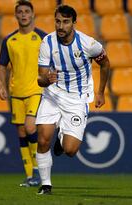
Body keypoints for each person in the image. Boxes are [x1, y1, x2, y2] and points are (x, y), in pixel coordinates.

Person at [35, 5, 111, 195]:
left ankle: (61, 138)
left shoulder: (88, 44)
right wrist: (46, 80)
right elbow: (40, 78)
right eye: (58, 21)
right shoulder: (47, 43)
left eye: (66, 22)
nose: (61, 26)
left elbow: (105, 63)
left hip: (76, 100)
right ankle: (46, 185)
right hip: (52, 95)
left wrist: (100, 92)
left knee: (70, 150)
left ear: (74, 24)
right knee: (43, 138)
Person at [0, 0, 47, 187]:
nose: (24, 14)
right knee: (21, 132)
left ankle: (37, 172)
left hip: (36, 91)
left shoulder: (43, 37)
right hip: (16, 93)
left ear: (33, 14)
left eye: (27, 11)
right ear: (16, 15)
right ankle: (30, 176)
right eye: (20, 12)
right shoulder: (9, 40)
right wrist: (1, 86)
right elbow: (2, 66)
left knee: (30, 127)